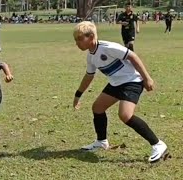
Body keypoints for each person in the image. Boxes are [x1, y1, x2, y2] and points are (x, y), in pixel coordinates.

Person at [72, 21, 168, 163]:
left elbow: (133, 56)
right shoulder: (91, 56)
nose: (77, 43)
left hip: (132, 81)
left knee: (125, 115)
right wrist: (78, 94)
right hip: (116, 83)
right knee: (97, 108)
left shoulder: (108, 47)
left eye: (80, 39)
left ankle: (158, 144)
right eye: (76, 40)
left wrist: (147, 78)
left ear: (91, 36)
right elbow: (89, 76)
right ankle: (102, 141)